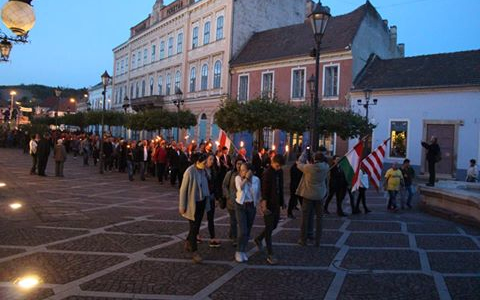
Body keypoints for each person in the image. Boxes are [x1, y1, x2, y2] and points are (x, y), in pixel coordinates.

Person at [179, 153, 211, 264]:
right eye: (204, 162)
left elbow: (207, 183)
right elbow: (183, 190)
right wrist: (182, 206)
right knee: (194, 227)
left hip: (201, 202)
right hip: (192, 203)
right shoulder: (189, 172)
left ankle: (188, 241)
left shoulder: (204, 171)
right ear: (197, 162)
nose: (206, 164)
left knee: (196, 226)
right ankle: (195, 252)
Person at [254, 154, 285, 265]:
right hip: (269, 204)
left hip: (276, 203)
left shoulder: (279, 172)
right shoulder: (267, 173)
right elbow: (265, 191)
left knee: (274, 225)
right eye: (277, 166)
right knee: (269, 227)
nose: (279, 168)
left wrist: (282, 202)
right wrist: (264, 206)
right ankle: (270, 254)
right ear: (273, 162)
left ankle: (258, 238)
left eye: (280, 166)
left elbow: (280, 186)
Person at [296, 151, 329, 247]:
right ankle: (317, 241)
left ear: (314, 159)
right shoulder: (326, 167)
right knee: (319, 219)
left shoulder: (308, 168)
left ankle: (303, 240)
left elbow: (299, 164)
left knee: (305, 218)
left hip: (308, 195)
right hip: (320, 196)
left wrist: (303, 154)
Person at [234, 163, 261, 262]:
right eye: (240, 170)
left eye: (244, 170)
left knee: (248, 230)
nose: (242, 172)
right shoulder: (238, 178)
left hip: (251, 206)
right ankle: (238, 251)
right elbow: (239, 188)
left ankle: (243, 250)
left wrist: (258, 205)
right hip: (240, 206)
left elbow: (258, 193)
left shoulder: (256, 180)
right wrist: (245, 179)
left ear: (250, 171)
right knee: (243, 230)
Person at [222, 158, 245, 246]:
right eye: (237, 163)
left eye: (241, 164)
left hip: (241, 201)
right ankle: (235, 238)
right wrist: (227, 196)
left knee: (239, 219)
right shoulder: (230, 174)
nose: (239, 165)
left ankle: (232, 233)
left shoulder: (245, 175)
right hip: (231, 201)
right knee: (233, 219)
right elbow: (224, 185)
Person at [205, 154, 221, 248]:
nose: (212, 161)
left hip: (210, 197)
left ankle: (212, 238)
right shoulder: (201, 170)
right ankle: (195, 236)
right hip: (202, 197)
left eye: (213, 159)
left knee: (211, 218)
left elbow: (216, 185)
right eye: (210, 159)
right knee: (197, 218)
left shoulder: (213, 170)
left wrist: (217, 198)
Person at [287, 154, 303, 219]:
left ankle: (305, 212)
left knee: (301, 200)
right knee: (293, 199)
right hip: (295, 186)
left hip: (299, 186)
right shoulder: (294, 167)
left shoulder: (301, 166)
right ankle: (289, 212)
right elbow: (295, 177)